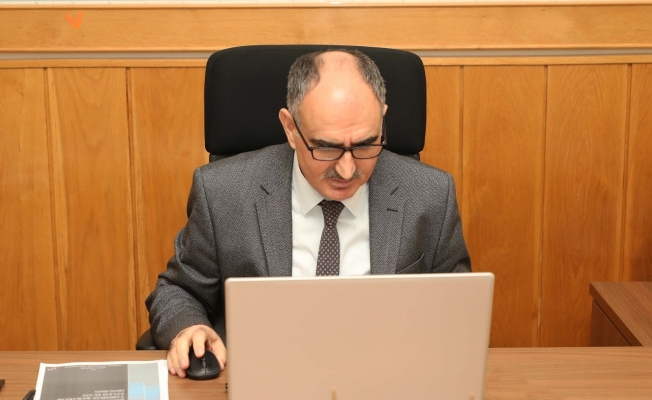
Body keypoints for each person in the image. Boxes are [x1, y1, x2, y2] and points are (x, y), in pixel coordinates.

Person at [146, 49, 471, 379]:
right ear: (290, 128)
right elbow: (179, 290)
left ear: (382, 120)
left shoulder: (430, 195)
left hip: (388, 379)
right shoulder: (224, 193)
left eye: (365, 144)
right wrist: (189, 328)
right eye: (326, 147)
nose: (347, 170)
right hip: (265, 380)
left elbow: (460, 311)